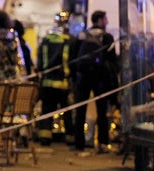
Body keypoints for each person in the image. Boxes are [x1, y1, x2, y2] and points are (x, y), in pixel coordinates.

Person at [73, 10, 118, 154]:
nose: (107, 22)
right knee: (101, 110)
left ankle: (79, 142)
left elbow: (74, 57)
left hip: (83, 76)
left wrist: (75, 77)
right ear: (100, 20)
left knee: (80, 110)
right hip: (100, 77)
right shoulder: (107, 38)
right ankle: (103, 143)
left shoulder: (82, 36)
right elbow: (112, 60)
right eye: (105, 19)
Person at [36, 11, 76, 146]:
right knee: (66, 111)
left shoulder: (46, 39)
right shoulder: (69, 40)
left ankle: (45, 138)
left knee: (47, 110)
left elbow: (40, 62)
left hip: (47, 82)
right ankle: (70, 136)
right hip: (63, 83)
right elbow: (72, 61)